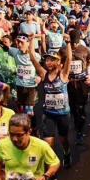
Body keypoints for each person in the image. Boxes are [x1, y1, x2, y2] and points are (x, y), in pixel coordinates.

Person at [29, 40, 73, 171]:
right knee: (48, 142)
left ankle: (66, 153)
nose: (48, 62)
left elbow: (69, 59)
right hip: (48, 114)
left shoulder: (63, 75)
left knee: (63, 138)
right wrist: (31, 41)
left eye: (52, 60)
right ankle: (51, 169)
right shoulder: (44, 74)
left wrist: (69, 42)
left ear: (59, 62)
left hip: (63, 114)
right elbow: (33, 59)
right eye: (47, 60)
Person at [67, 29, 90, 144]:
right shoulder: (63, 50)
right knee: (71, 109)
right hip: (68, 83)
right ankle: (74, 117)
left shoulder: (85, 50)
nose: (74, 45)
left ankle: (79, 132)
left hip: (81, 81)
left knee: (80, 108)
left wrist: (89, 74)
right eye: (72, 43)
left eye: (76, 43)